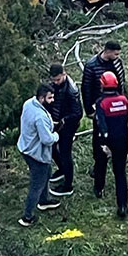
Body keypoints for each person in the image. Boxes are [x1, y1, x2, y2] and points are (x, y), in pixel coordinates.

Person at [18, 83, 62, 227]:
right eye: (50, 98)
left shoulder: (29, 103)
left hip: (25, 147)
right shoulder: (40, 117)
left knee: (47, 172)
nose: (52, 100)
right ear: (42, 98)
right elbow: (47, 139)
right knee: (36, 185)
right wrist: (56, 134)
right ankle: (27, 217)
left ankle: (44, 201)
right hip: (36, 153)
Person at [92, 71, 128, 218]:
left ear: (102, 85)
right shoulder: (124, 100)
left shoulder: (101, 103)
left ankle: (98, 188)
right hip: (122, 140)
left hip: (107, 141)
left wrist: (103, 144)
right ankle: (122, 205)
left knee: (100, 164)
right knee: (120, 173)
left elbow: (101, 126)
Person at [47, 63, 82, 196]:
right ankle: (62, 169)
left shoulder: (71, 90)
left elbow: (78, 113)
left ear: (64, 74)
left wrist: (64, 120)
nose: (56, 83)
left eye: (58, 80)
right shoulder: (54, 86)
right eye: (53, 80)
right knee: (51, 146)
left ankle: (68, 185)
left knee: (65, 153)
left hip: (68, 125)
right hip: (56, 122)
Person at [80, 40, 126, 117]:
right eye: (116, 54)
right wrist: (89, 110)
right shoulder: (91, 66)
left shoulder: (117, 62)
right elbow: (86, 89)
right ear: (108, 51)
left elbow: (122, 83)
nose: (117, 56)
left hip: (115, 104)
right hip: (99, 104)